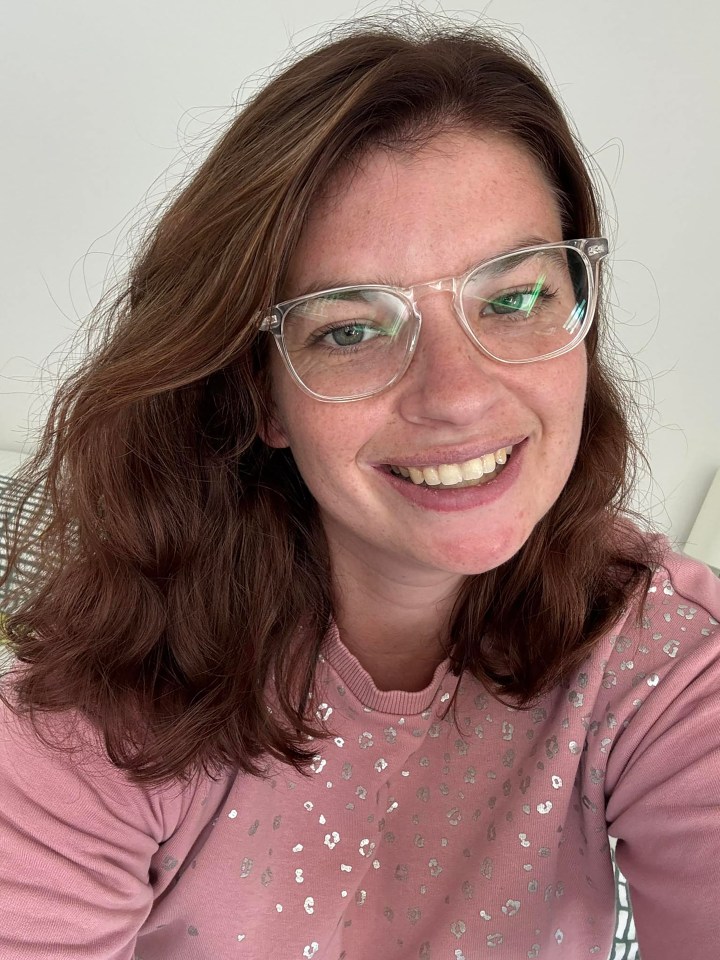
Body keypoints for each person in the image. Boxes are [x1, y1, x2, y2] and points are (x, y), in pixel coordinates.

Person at [1, 15, 719, 960]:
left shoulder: (667, 658)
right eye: (350, 329)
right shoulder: (91, 724)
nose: (458, 398)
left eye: (512, 299)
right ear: (263, 396)